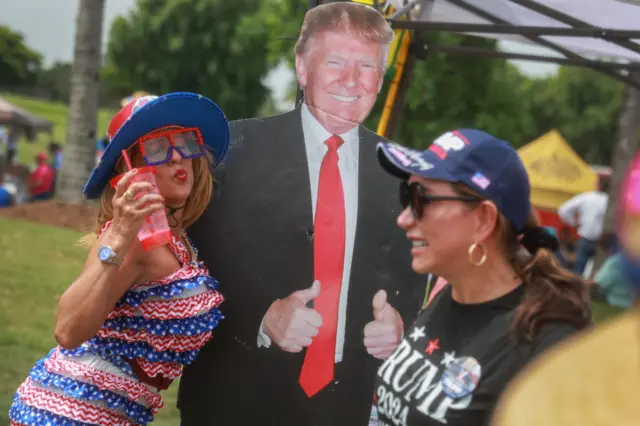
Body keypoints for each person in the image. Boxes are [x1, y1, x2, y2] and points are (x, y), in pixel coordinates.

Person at [178, 3, 425, 425]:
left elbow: (411, 277)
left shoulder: (406, 175)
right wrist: (260, 318)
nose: (351, 80)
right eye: (335, 62)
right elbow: (182, 279)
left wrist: (399, 323)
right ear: (302, 67)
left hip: (344, 408)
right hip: (232, 402)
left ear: (380, 79)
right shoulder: (228, 152)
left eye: (366, 65)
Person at [8, 92, 230, 426]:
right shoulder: (132, 238)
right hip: (71, 413)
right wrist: (121, 235)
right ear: (129, 169)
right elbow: (67, 330)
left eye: (184, 142)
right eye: (156, 148)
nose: (177, 158)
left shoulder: (176, 239)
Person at [372, 129, 592, 426]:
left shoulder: (547, 349)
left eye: (419, 199)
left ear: (483, 220)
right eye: (404, 195)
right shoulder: (452, 292)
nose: (404, 218)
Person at [490, 154, 640, 426]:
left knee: (581, 271)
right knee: (580, 271)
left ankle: (577, 279)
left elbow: (565, 212)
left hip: (585, 240)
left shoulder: (554, 388)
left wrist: (575, 223)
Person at [558, 175, 609, 276]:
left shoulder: (586, 197)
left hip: (585, 237)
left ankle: (574, 289)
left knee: (578, 271)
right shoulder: (609, 201)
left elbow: (563, 209)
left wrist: (574, 223)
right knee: (598, 273)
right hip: (601, 241)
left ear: (597, 184)